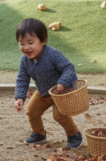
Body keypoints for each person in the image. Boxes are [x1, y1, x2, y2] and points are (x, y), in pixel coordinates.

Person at [13, 19, 83, 149]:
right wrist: (19, 97)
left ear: (43, 41)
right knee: (31, 111)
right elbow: (22, 79)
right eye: (21, 43)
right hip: (43, 91)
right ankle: (39, 134)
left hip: (61, 92)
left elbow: (68, 68)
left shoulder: (53, 54)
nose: (26, 47)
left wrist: (62, 83)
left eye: (30, 43)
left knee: (59, 115)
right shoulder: (25, 60)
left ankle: (74, 135)